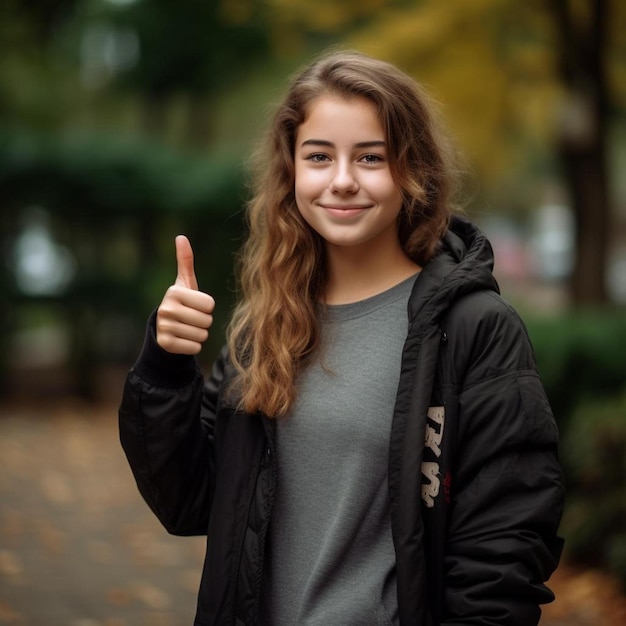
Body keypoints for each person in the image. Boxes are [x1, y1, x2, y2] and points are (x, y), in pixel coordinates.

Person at [119, 49, 564, 625]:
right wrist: (165, 366)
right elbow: (191, 500)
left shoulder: (473, 329)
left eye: (371, 157)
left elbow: (506, 543)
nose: (343, 181)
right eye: (320, 157)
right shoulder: (265, 327)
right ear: (292, 171)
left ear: (413, 170)